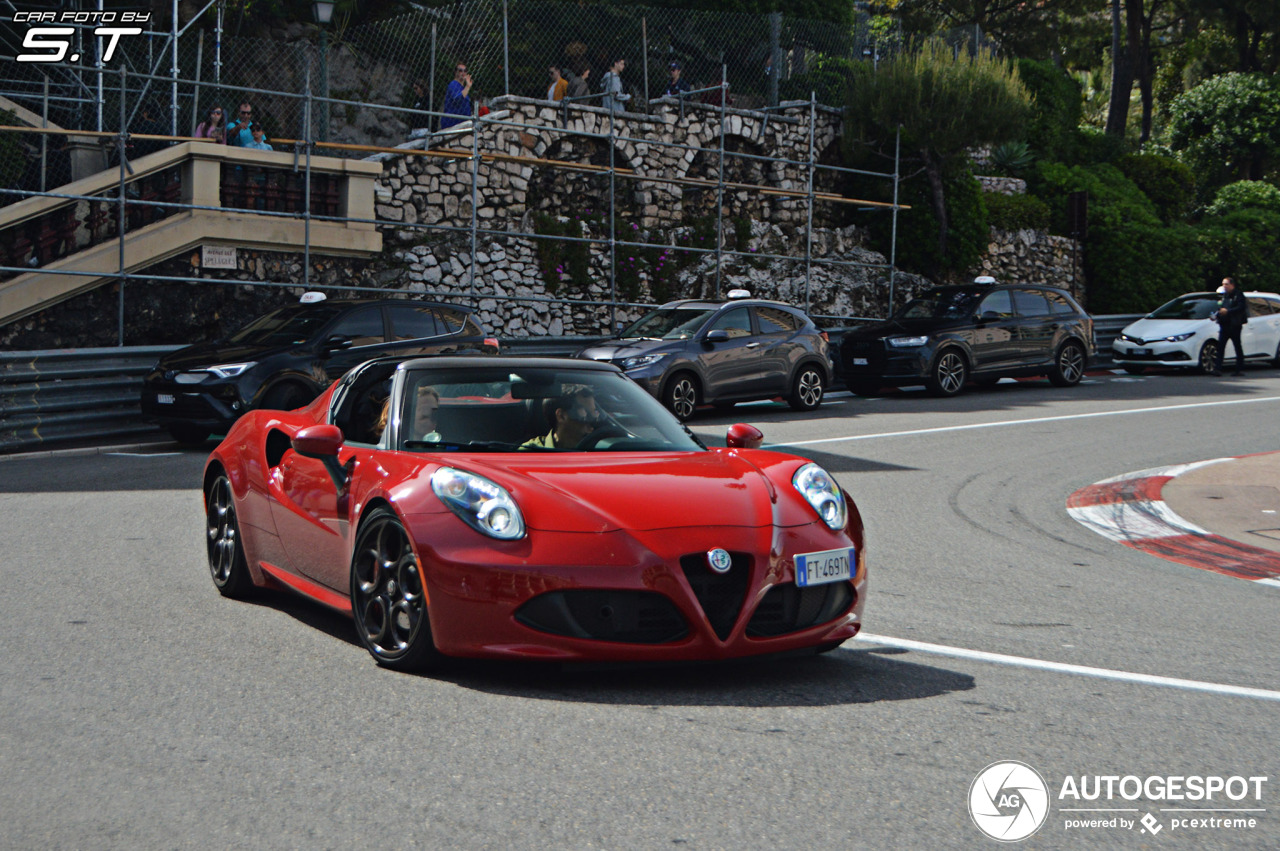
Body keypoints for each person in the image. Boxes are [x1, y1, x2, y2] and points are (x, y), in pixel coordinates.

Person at [521, 386, 600, 450]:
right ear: (561, 416)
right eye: (586, 415)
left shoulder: (601, 450)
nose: (592, 426)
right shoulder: (529, 454)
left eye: (594, 413)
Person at [374, 386, 442, 444]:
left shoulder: (445, 448)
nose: (429, 414)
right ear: (404, 414)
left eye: (434, 411)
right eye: (423, 409)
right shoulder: (388, 447)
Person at [1211, 276, 1248, 376]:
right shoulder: (1225, 296)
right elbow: (1221, 308)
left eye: (1226, 284)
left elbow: (1241, 308)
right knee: (1220, 347)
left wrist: (1228, 311)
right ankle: (1217, 369)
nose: (1224, 286)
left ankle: (1239, 369)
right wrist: (1216, 315)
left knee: (1237, 346)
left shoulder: (1238, 295)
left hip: (1235, 325)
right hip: (1224, 325)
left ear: (1232, 285)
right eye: (1223, 284)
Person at [441, 62, 473, 129]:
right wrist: (468, 87)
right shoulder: (453, 84)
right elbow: (458, 99)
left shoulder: (463, 88)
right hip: (452, 123)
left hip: (462, 123)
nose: (463, 73)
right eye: (460, 70)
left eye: (465, 71)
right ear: (456, 72)